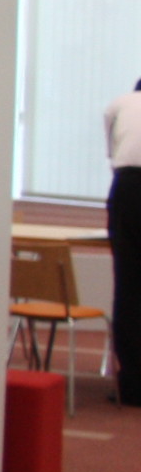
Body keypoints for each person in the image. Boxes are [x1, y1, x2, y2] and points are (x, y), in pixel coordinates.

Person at [110, 77, 141, 404]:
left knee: (129, 288)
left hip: (129, 188)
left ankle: (132, 386)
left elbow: (113, 153)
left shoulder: (120, 104)